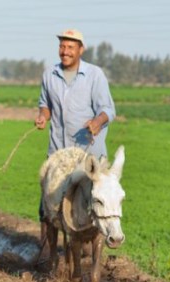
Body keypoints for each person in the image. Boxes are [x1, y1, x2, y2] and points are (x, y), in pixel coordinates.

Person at [34, 28, 116, 265]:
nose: (65, 51)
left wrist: (96, 122)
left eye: (70, 47)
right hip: (59, 154)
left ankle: (91, 254)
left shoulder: (94, 75)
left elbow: (107, 110)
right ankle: (51, 259)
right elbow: (44, 104)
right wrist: (42, 116)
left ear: (81, 49)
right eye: (62, 46)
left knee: (93, 206)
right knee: (48, 210)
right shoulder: (49, 74)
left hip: (88, 157)